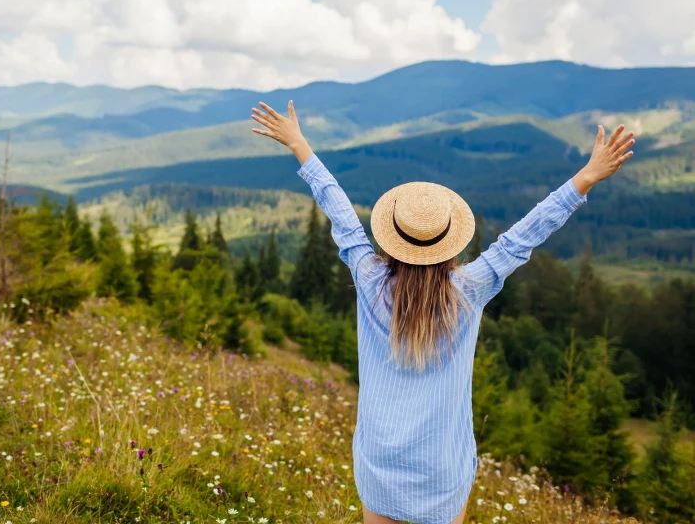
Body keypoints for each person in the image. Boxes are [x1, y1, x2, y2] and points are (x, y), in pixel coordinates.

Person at [252, 100, 636, 524]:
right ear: (449, 241)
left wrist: (300, 146)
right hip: (441, 470)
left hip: (379, 462)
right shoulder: (470, 290)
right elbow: (521, 238)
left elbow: (340, 211)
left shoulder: (369, 280)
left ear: (390, 235)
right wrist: (584, 178)